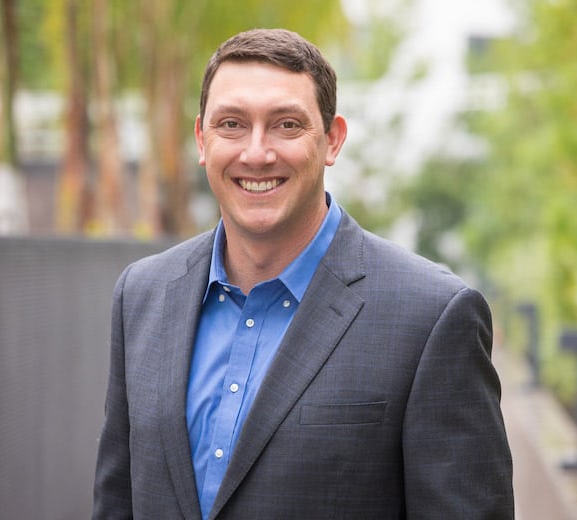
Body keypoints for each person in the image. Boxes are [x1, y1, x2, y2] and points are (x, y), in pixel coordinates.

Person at [92, 28, 514, 519]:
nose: (256, 152)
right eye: (231, 124)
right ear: (201, 140)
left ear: (332, 140)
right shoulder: (142, 296)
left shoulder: (432, 317)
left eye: (286, 125)